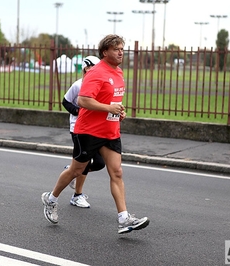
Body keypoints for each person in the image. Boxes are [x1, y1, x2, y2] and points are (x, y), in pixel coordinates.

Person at [42, 34, 150, 234]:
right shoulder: (96, 73)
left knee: (116, 172)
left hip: (110, 131)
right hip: (88, 131)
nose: (120, 52)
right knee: (76, 170)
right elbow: (83, 101)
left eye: (122, 49)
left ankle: (124, 219)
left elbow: (112, 101)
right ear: (105, 52)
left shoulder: (118, 73)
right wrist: (109, 108)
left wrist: (119, 111)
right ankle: (51, 199)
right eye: (116, 49)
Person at [62, 55, 105, 208]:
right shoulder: (78, 85)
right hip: (78, 128)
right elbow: (65, 101)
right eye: (94, 66)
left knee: (100, 163)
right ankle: (77, 195)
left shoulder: (99, 84)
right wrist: (77, 111)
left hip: (95, 129)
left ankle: (72, 170)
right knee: (85, 163)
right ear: (86, 67)